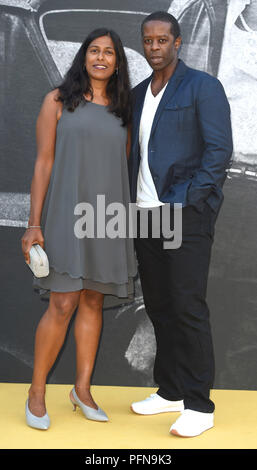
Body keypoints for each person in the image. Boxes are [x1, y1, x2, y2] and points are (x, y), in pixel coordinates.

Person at [21, 27, 137, 430]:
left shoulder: (123, 108)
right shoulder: (57, 101)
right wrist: (33, 224)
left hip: (106, 218)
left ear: (118, 62)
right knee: (63, 303)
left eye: (109, 52)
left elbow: (121, 168)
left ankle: (82, 389)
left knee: (92, 301)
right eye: (94, 51)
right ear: (83, 57)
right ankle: (37, 391)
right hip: (65, 215)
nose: (101, 58)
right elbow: (43, 163)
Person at [128, 11, 233, 437]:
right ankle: (169, 390)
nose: (154, 47)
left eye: (162, 40)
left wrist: (190, 203)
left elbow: (218, 149)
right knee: (158, 307)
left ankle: (199, 404)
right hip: (144, 215)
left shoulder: (203, 87)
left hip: (183, 214)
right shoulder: (137, 94)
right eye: (148, 41)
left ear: (178, 42)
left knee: (188, 307)